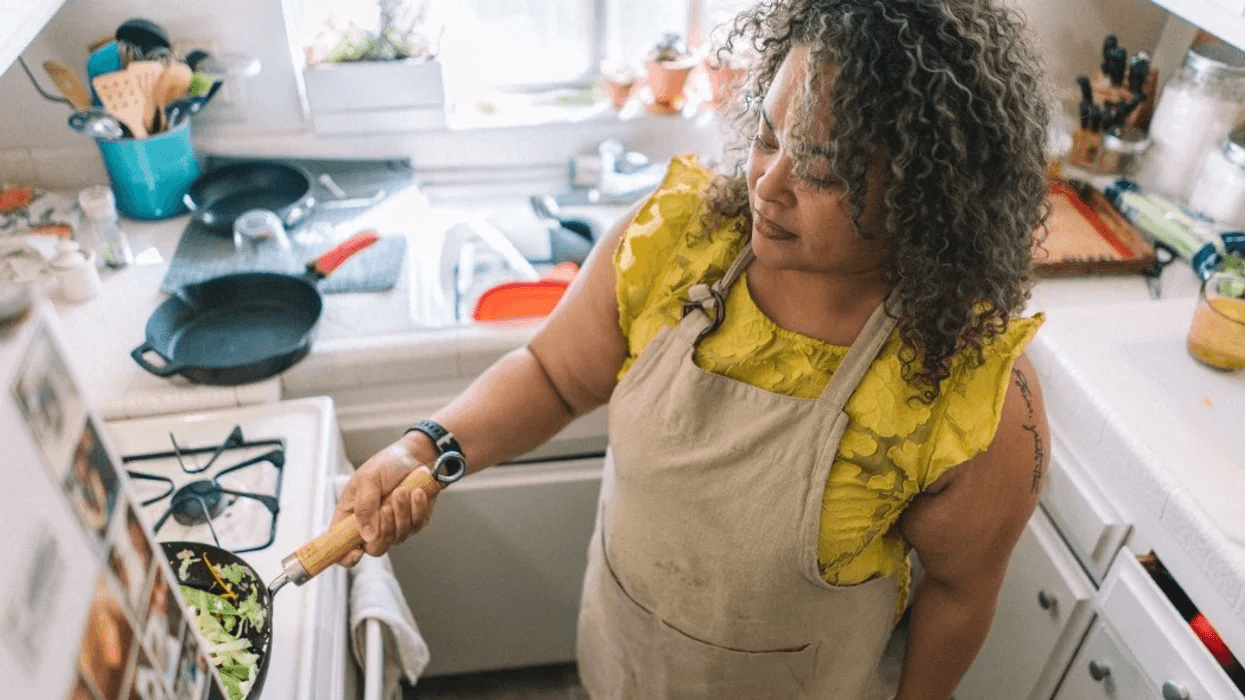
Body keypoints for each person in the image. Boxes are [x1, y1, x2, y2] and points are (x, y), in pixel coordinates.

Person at [332, 0, 1052, 697]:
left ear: (925, 193)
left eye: (822, 171)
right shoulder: (679, 242)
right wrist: (423, 449)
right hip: (626, 658)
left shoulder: (965, 391)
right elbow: (552, 375)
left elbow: (959, 594)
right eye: (768, 138)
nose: (767, 186)